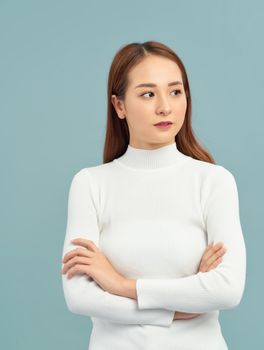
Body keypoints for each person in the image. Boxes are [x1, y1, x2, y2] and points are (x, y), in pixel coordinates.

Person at [61, 40, 246, 350]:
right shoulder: (90, 184)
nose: (165, 106)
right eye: (148, 94)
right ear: (119, 105)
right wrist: (182, 306)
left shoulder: (214, 181)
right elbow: (79, 297)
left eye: (175, 91)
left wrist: (121, 285)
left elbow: (227, 289)